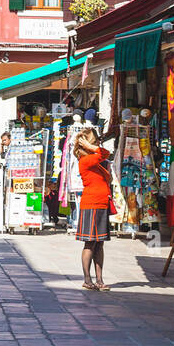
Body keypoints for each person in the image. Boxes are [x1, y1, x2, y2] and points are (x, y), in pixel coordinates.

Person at [74, 124, 113, 291]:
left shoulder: (93, 161)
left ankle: (99, 279)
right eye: (95, 141)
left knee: (100, 243)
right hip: (92, 204)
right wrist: (90, 147)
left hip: (101, 203)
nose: (98, 144)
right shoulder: (86, 160)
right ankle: (87, 279)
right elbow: (104, 153)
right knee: (90, 243)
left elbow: (103, 154)